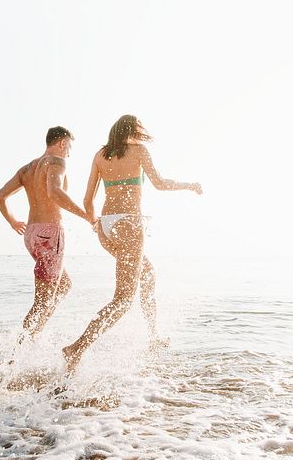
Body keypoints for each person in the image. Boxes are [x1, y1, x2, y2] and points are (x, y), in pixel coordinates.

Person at [62, 115, 202, 372]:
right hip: (129, 225)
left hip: (107, 225)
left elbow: (87, 201)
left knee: (147, 274)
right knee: (123, 299)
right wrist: (189, 185)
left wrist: (96, 225)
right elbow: (159, 183)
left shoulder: (100, 155)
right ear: (134, 131)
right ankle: (76, 348)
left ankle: (153, 335)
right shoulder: (139, 151)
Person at [0, 126, 92, 342]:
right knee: (42, 301)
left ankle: (33, 336)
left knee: (63, 285)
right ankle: (18, 353)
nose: (69, 152)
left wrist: (13, 222)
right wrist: (86, 215)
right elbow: (54, 192)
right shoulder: (57, 162)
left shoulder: (27, 169)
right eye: (70, 146)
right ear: (61, 143)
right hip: (50, 234)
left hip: (31, 234)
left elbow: (0, 196)